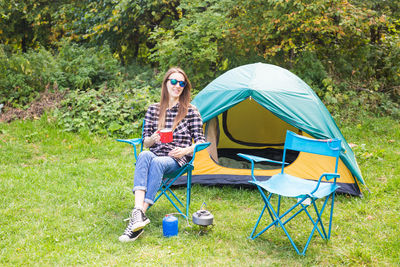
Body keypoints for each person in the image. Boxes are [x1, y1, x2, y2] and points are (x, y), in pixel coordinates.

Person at [119, 67, 206, 242]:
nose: (177, 86)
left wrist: (186, 150)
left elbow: (202, 141)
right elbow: (146, 143)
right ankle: (138, 212)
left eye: (181, 83)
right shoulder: (153, 109)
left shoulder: (191, 111)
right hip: (155, 153)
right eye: (173, 81)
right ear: (166, 84)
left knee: (157, 162)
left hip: (177, 159)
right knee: (144, 155)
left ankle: (139, 215)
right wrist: (152, 138)